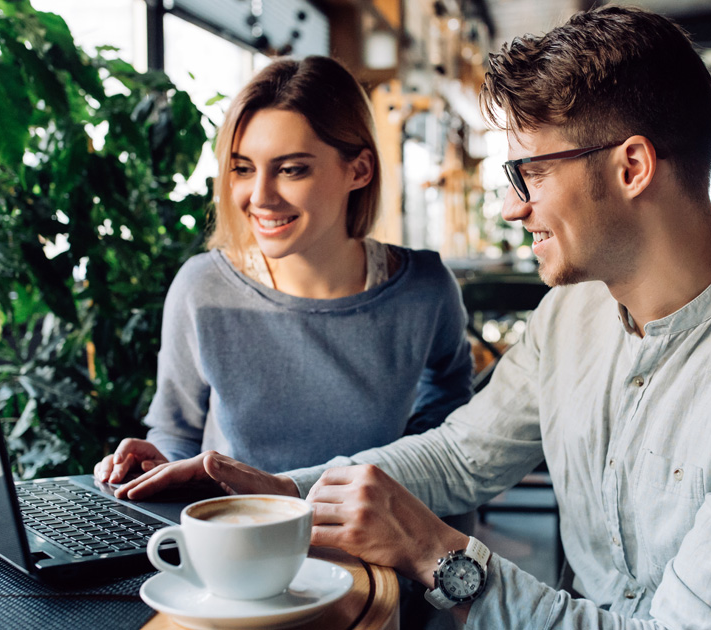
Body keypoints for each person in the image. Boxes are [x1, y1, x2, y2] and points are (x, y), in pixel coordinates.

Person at [116, 6, 711, 629]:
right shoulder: (570, 317)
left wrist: (438, 552)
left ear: (631, 167)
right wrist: (276, 495)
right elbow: (459, 456)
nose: (513, 206)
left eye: (528, 172)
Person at [94, 56, 473, 487]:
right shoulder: (203, 287)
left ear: (359, 169)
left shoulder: (424, 290)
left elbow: (445, 447)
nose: (260, 197)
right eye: (242, 168)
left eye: (291, 170)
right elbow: (177, 434)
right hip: (236, 540)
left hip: (369, 550)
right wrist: (155, 467)